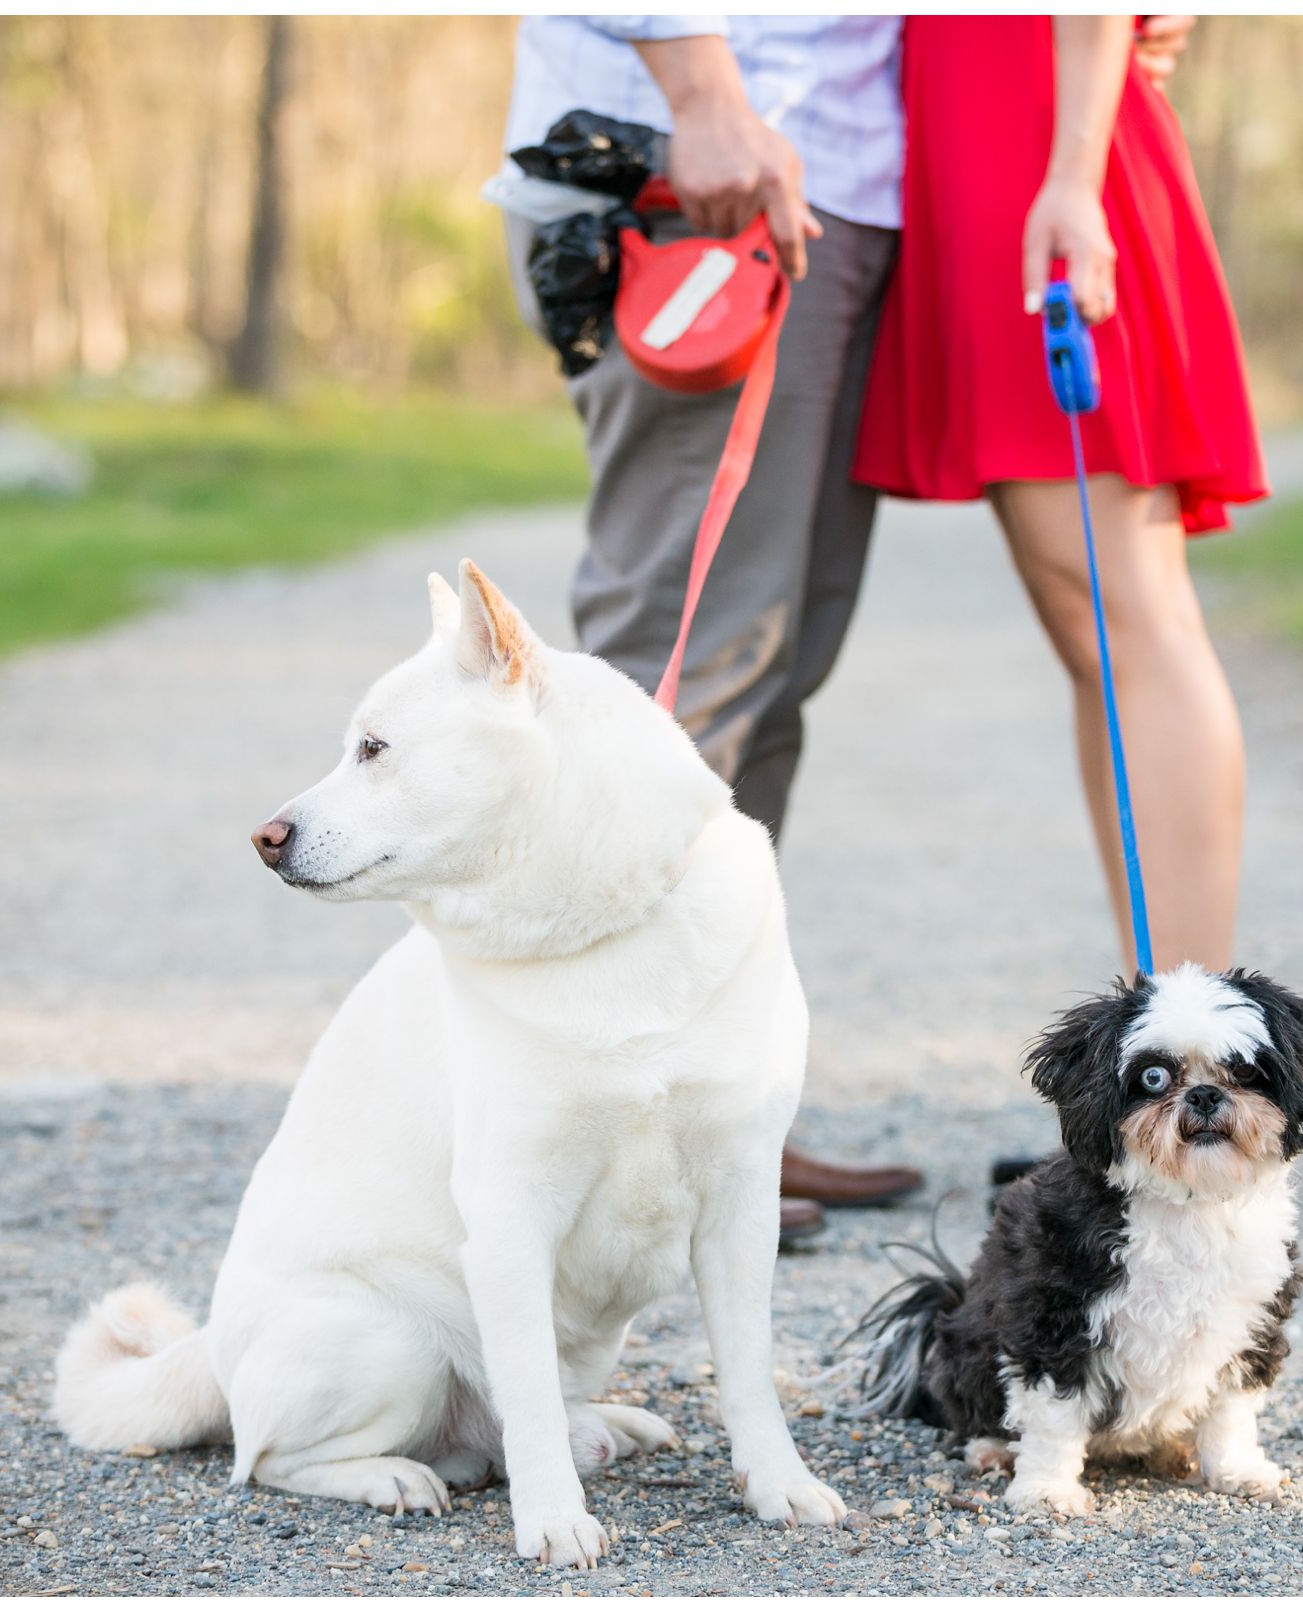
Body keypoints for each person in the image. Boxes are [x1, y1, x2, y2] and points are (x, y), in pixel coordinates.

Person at [496, 17, 922, 1239]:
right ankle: (615, 1143)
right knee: (683, 673)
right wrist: (705, 84)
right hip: (702, 163)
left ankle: (724, 1115)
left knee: (772, 671)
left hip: (832, 180)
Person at [854, 14, 1262, 977]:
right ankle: (1158, 1046)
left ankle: (1195, 1061)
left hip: (1045, 155)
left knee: (1129, 619)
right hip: (995, 141)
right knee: (1096, 635)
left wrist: (1074, 176)